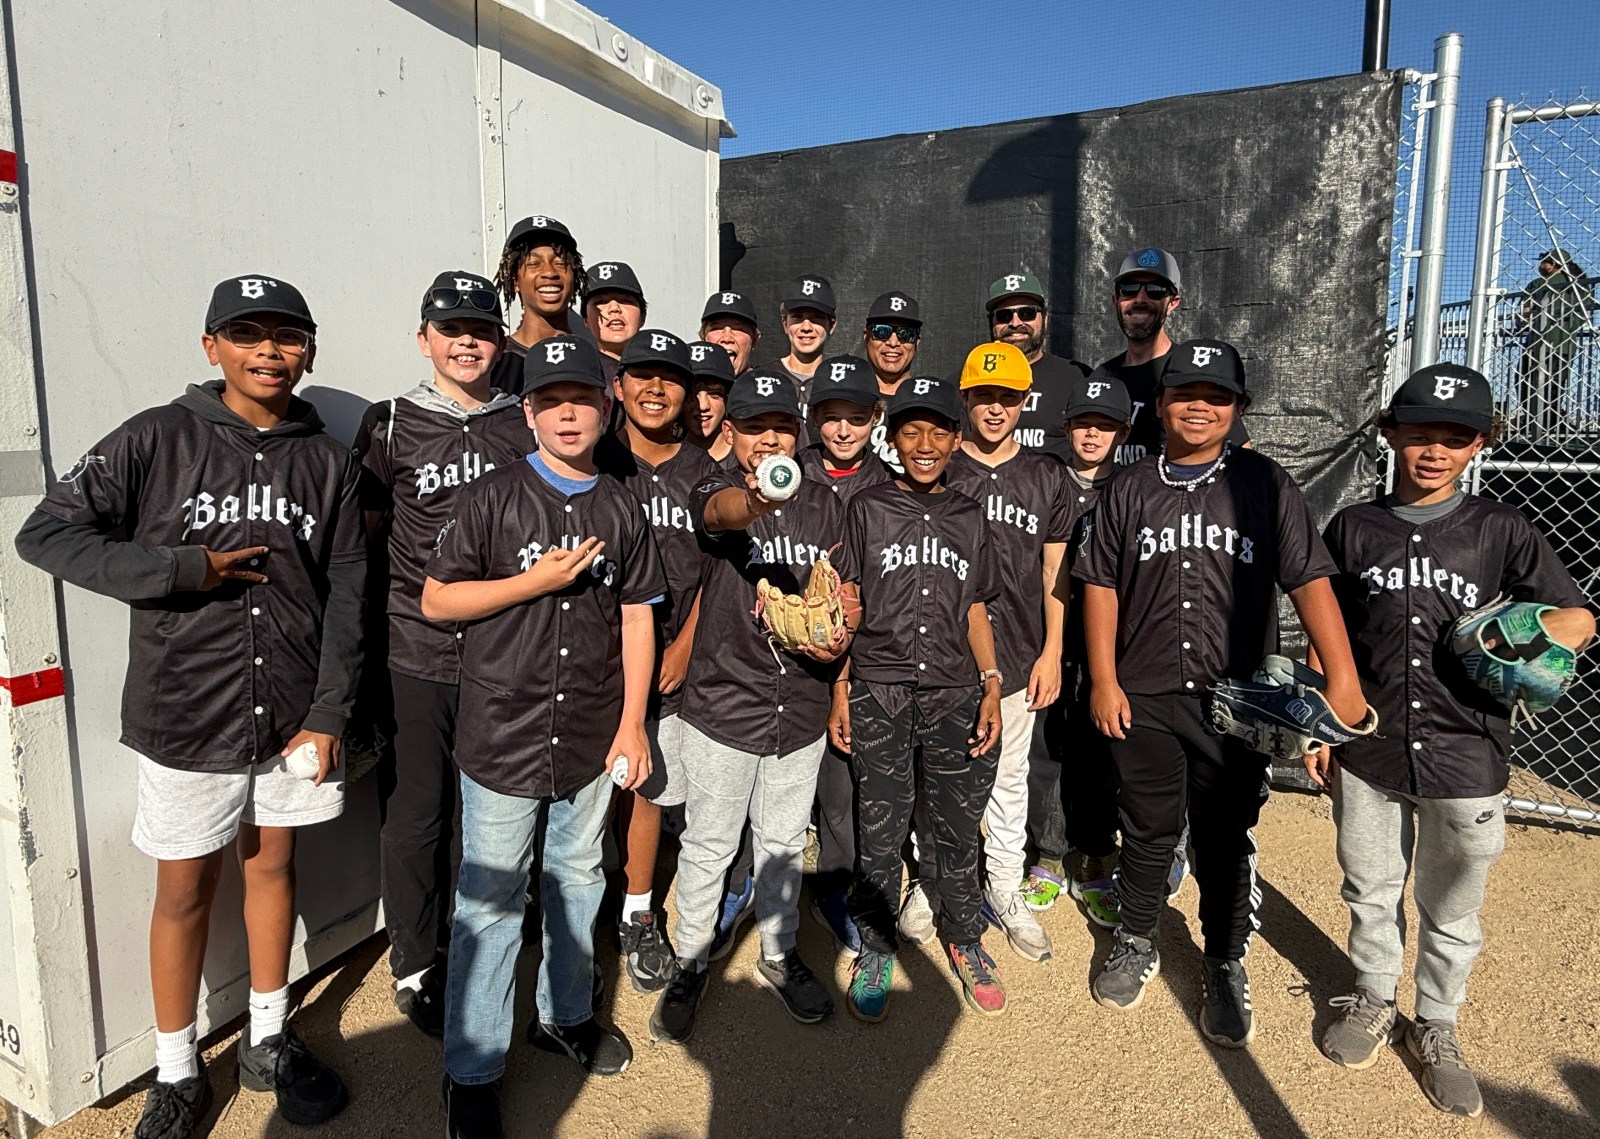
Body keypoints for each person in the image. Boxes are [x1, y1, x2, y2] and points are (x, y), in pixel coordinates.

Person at [14, 275, 360, 1138]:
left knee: (274, 868)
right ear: (212, 347)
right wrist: (180, 568)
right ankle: (175, 1072)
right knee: (182, 892)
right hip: (185, 716)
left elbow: (351, 587)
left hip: (290, 715)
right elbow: (46, 533)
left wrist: (328, 711)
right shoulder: (156, 437)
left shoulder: (327, 459)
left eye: (287, 335)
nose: (269, 350)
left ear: (309, 349)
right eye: (248, 334)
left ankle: (269, 1039)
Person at [1314, 363, 1594, 1118]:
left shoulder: (1502, 529)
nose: (1434, 451)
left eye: (1455, 438)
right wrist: (1320, 722)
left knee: (1453, 900)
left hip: (1467, 748)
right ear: (1391, 436)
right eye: (1419, 434)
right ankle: (1374, 995)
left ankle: (1436, 1022)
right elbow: (1327, 626)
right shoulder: (1354, 528)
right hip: (1369, 743)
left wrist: (1518, 632)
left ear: (1478, 445)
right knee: (1369, 884)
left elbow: (1578, 617)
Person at [1075, 339, 1365, 1048]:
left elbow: (1309, 580)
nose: (1199, 404)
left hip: (1237, 700)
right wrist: (1106, 677)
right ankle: (1138, 936)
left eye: (1217, 395)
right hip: (1142, 691)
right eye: (1184, 392)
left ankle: (1224, 958)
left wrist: (1343, 679)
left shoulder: (1265, 483)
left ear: (1238, 408)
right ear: (1160, 404)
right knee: (1145, 827)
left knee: (1224, 835)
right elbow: (1101, 584)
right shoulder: (1130, 487)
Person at [423, 335, 664, 1138]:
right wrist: (536, 580)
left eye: (584, 399)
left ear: (607, 409)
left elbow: (637, 615)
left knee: (576, 878)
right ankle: (473, 1068)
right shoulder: (493, 495)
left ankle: (562, 1015)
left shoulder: (621, 506)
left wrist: (633, 722)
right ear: (527, 411)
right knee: (490, 901)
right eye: (552, 399)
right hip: (503, 730)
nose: (569, 412)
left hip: (591, 731)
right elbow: (436, 601)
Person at [353, 271, 533, 1039]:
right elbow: (360, 545)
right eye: (451, 326)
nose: (467, 340)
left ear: (500, 341)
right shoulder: (389, 422)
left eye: (482, 328)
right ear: (422, 336)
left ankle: (473, 941)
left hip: (501, 653)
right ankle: (413, 959)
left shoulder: (521, 422)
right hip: (415, 652)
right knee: (416, 813)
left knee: (484, 814)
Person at [650, 370, 846, 1044]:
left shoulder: (825, 503)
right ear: (729, 431)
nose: (769, 438)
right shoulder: (711, 483)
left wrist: (837, 622)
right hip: (724, 702)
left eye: (781, 426)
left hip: (800, 704)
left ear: (797, 433)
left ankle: (778, 953)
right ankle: (690, 960)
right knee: (709, 844)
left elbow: (843, 590)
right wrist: (756, 500)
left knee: (785, 842)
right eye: (754, 425)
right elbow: (720, 515)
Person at [830, 376, 1006, 1022]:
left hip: (954, 691)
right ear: (892, 436)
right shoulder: (868, 508)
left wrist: (991, 683)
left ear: (956, 438)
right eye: (911, 430)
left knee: (956, 826)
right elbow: (847, 605)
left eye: (938, 430)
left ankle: (964, 938)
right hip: (879, 686)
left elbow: (976, 607)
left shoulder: (967, 514)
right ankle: (876, 945)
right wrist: (840, 689)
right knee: (881, 822)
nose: (925, 444)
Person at [941, 343, 1073, 965]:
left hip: (1020, 650)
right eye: (985, 396)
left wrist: (1053, 650)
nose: (996, 409)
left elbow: (1056, 570)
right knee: (938, 774)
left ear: (1026, 402)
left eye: (1008, 398)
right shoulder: (943, 465)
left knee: (1009, 780)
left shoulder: (1045, 474)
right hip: (944, 655)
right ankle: (937, 881)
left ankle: (1004, 885)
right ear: (965, 399)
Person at [595, 329, 717, 995]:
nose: (654, 388)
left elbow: (723, 571)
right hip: (594, 658)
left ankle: (638, 909)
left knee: (647, 785)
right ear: (619, 384)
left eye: (669, 377)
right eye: (641, 374)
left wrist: (687, 643)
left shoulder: (704, 473)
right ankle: (582, 912)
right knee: (589, 793)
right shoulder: (595, 457)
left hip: (670, 657)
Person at [1023, 371, 1132, 931]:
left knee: (1098, 754)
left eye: (1105, 425)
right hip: (1045, 639)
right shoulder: (1043, 476)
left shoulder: (1135, 484)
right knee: (1043, 750)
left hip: (1108, 648)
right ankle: (1045, 855)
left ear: (1123, 430)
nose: (1092, 435)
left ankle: (1094, 857)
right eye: (1084, 423)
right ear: (1065, 426)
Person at [797, 353, 892, 951]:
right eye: (829, 416)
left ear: (875, 417)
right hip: (787, 657)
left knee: (847, 784)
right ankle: (763, 889)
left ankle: (842, 886)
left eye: (855, 417)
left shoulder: (887, 482)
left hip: (858, 662)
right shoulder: (788, 472)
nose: (841, 430)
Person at [1095, 247, 1246, 463]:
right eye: (1129, 289)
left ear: (1173, 303)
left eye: (1155, 290)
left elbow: (1244, 455)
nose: (1140, 299)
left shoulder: (1189, 371)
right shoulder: (1101, 376)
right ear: (1115, 300)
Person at [983, 271, 1092, 463]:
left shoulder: (1077, 378)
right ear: (991, 323)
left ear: (1045, 318)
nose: (1015, 323)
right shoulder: (969, 380)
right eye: (1004, 315)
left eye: (1027, 313)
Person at [488, 215, 588, 393]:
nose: (549, 272)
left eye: (560, 263)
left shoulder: (597, 362)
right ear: (514, 281)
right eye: (534, 264)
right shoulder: (492, 364)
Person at [1518, 249, 1594, 434]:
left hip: (1537, 342)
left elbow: (1524, 314)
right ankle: (1552, 421)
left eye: (1543, 262)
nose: (1540, 265)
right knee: (1556, 384)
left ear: (1551, 264)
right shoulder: (1580, 284)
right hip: (1565, 343)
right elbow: (1584, 313)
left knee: (1528, 382)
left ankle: (1532, 421)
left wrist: (1526, 319)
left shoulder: (1538, 284)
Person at [861, 290, 922, 473]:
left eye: (906, 334)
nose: (893, 342)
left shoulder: (931, 402)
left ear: (917, 342)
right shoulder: (848, 397)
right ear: (866, 337)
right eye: (882, 331)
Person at [768, 274, 837, 404]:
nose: (806, 327)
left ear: (831, 325)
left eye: (817, 317)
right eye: (797, 317)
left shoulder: (840, 383)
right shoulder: (763, 377)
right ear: (785, 324)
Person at [581, 260, 647, 382]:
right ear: (586, 319)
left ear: (642, 316)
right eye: (601, 302)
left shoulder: (663, 372)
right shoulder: (578, 373)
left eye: (625, 300)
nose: (614, 309)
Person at [684, 341, 736, 464]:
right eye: (692, 394)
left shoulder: (747, 458)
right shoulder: (663, 457)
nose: (703, 406)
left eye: (714, 394)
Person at [699, 290, 761, 376]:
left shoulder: (772, 387)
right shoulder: (688, 386)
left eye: (738, 328)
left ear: (754, 339)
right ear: (703, 337)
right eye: (717, 328)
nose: (727, 338)